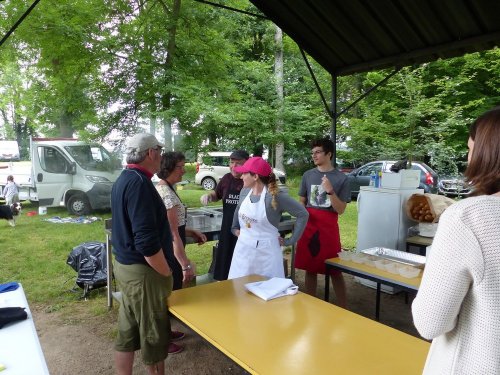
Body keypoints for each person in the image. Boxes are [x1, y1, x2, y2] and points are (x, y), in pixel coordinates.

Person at [412, 107, 500, 374]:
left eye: (470, 148)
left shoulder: (468, 217)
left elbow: (430, 322)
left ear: (488, 153)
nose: (468, 157)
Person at [111, 133, 173, 375]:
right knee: (153, 335)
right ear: (151, 153)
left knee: (128, 330)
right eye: (160, 150)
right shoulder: (140, 184)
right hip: (143, 273)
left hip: (126, 267)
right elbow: (146, 243)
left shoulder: (125, 178)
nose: (161, 156)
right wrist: (166, 271)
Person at [156, 151, 207, 355]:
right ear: (167, 169)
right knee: (167, 294)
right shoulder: (165, 193)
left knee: (171, 293)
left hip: (173, 247)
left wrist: (191, 231)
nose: (183, 170)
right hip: (170, 252)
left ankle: (167, 332)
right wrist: (184, 264)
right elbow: (171, 233)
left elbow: (174, 226)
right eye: (180, 166)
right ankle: (163, 339)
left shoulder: (169, 188)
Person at [228, 156, 308, 279]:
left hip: (266, 257)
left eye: (244, 173)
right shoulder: (244, 192)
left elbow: (303, 214)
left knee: (267, 291)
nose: (241, 176)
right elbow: (238, 210)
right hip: (243, 252)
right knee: (240, 290)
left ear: (255, 177)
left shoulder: (276, 197)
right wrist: (234, 228)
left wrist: (290, 240)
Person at [294, 138, 351, 306]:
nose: (314, 155)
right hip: (310, 224)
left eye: (318, 152)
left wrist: (330, 191)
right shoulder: (308, 175)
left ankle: (343, 307)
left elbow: (340, 210)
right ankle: (311, 304)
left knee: (334, 269)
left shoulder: (342, 179)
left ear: (329, 154)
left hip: (329, 226)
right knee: (310, 268)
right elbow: (301, 202)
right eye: (312, 153)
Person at [200, 150, 249, 280]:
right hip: (227, 229)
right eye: (231, 162)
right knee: (224, 264)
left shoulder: (250, 180)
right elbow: (217, 195)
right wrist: (209, 196)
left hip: (244, 230)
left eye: (238, 163)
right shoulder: (226, 178)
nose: (233, 166)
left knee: (241, 266)